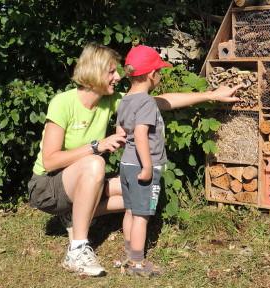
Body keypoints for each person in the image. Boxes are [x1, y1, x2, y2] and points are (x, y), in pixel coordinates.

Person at [27, 43, 241, 278]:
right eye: (111, 72)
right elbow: (49, 161)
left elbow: (158, 101)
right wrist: (97, 146)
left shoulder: (110, 101)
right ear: (94, 72)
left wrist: (211, 95)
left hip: (75, 183)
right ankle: (77, 249)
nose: (118, 77)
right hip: (47, 187)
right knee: (95, 163)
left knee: (138, 190)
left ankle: (73, 215)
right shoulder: (63, 102)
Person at [115, 45, 171, 277]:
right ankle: (137, 263)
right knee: (142, 215)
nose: (159, 76)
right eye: (159, 71)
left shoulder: (125, 100)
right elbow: (140, 134)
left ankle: (130, 253)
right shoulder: (147, 102)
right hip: (141, 165)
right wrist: (148, 166)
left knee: (129, 211)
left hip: (126, 164)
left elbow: (120, 131)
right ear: (151, 75)